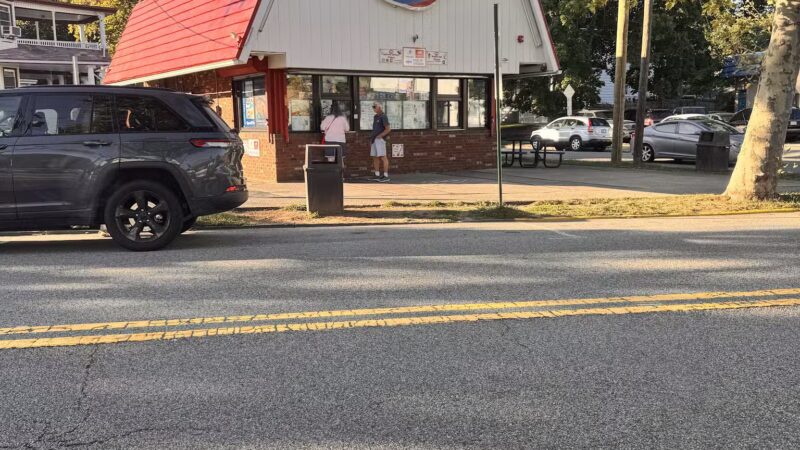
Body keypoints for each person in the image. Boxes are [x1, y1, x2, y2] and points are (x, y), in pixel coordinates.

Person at [320, 101, 350, 166]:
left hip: (330, 140)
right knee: (340, 159)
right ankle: (340, 175)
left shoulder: (328, 118)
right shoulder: (343, 118)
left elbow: (322, 127)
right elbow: (347, 129)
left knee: (331, 159)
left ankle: (332, 175)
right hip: (340, 141)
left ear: (331, 110)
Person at [370, 102, 392, 182]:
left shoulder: (383, 116)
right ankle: (377, 174)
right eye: (373, 107)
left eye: (374, 107)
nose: (373, 108)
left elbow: (388, 129)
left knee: (383, 157)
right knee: (375, 156)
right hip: (374, 139)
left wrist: (381, 136)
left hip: (380, 140)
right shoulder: (375, 117)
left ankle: (386, 175)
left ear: (379, 107)